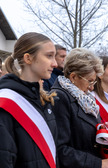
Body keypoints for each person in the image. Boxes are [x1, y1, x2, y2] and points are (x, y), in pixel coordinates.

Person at [51, 48, 108, 168]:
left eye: (94, 82)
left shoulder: (85, 98)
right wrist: (98, 163)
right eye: (90, 81)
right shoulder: (60, 98)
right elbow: (60, 150)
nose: (92, 88)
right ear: (73, 77)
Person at [0, 32, 58, 168]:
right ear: (28, 58)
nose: (55, 63)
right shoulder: (6, 102)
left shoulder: (43, 99)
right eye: (49, 56)